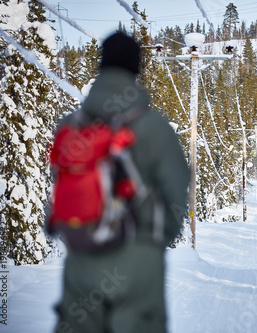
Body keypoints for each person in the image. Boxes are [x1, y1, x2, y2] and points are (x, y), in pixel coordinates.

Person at [52, 32, 190, 333]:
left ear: (101, 66)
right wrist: (153, 244)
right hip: (138, 261)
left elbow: (62, 185)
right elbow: (177, 192)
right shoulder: (154, 127)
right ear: (136, 69)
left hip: (81, 258)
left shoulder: (70, 126)